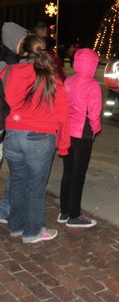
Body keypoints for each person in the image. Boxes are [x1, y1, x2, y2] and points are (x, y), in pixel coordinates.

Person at [0, 34, 70, 243]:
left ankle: (16, 226)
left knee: (18, 182)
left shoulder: (8, 71)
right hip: (40, 138)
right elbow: (63, 114)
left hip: (12, 135)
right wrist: (64, 145)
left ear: (23, 52)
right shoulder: (51, 78)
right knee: (36, 186)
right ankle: (33, 231)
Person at [58, 48, 102, 228]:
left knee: (68, 172)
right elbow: (94, 113)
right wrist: (95, 129)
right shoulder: (92, 85)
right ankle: (74, 215)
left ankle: (65, 211)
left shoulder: (68, 80)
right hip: (82, 133)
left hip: (68, 131)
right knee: (78, 174)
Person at [0, 22, 28, 224]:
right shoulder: (5, 65)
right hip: (6, 123)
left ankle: (4, 209)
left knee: (16, 172)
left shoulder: (18, 61)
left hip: (9, 125)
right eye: (21, 41)